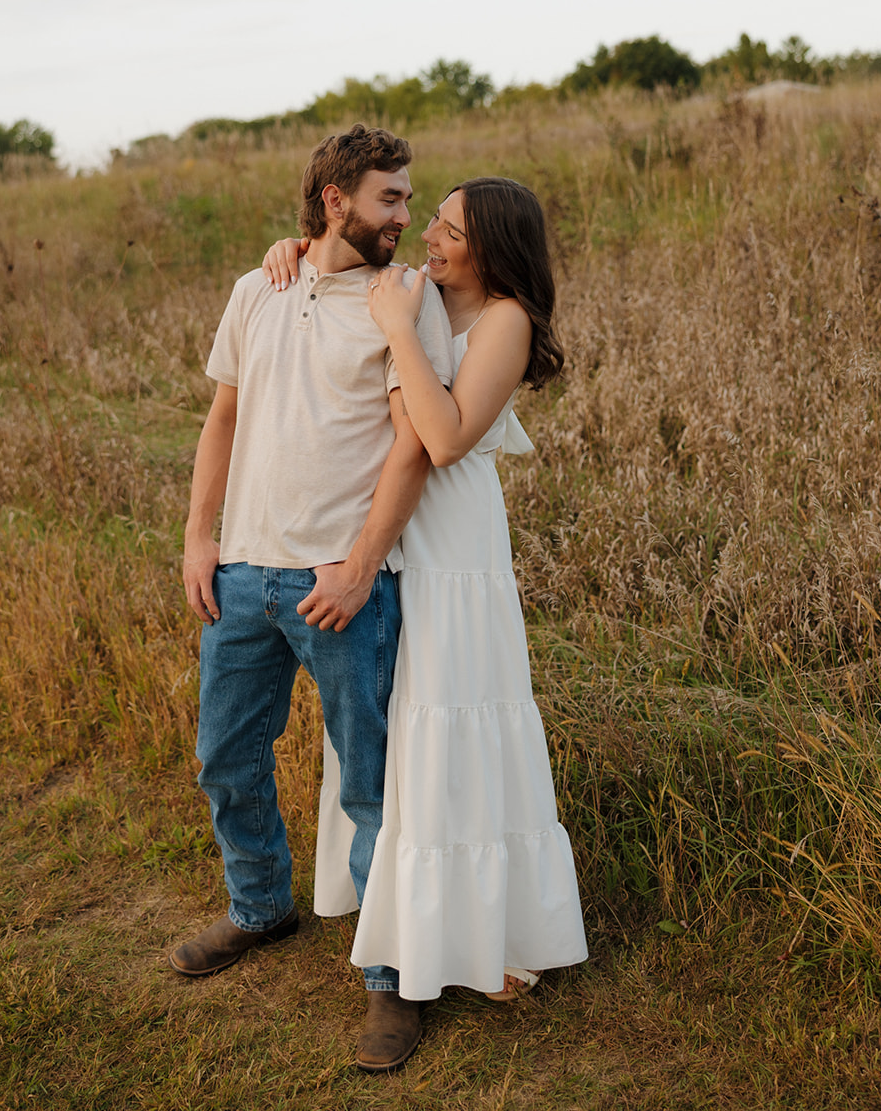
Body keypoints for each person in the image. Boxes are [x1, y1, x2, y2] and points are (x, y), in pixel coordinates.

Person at [170, 125, 454, 1074]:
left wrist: (362, 563)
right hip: (243, 576)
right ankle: (259, 908)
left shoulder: (400, 301)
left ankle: (389, 976)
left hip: (340, 587)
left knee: (372, 784)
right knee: (223, 757)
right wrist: (199, 537)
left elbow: (413, 447)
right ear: (335, 200)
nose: (404, 217)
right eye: (389, 199)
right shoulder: (260, 287)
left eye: (408, 202)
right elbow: (224, 418)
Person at [263, 176, 588, 1004]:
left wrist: (400, 328)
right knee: (388, 724)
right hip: (389, 529)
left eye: (448, 231)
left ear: (491, 248)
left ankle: (491, 931)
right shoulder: (419, 294)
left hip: (453, 550)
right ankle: (404, 917)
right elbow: (336, 262)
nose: (428, 239)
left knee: (451, 720)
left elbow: (443, 439)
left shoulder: (503, 321)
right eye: (431, 223)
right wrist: (293, 249)